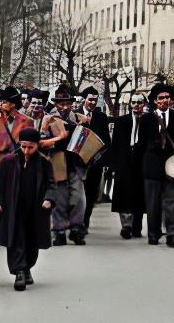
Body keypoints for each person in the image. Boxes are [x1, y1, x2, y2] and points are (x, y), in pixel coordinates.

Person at [0, 128, 55, 291]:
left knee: (32, 240)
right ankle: (19, 271)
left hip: (35, 208)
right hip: (14, 207)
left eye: (30, 147)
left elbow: (51, 184)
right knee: (16, 238)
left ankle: (27, 267)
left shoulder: (44, 162)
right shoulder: (8, 161)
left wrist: (49, 198)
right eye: (23, 146)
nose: (26, 150)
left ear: (37, 146)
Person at [139, 82, 174, 247]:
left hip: (172, 165)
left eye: (167, 97)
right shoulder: (146, 119)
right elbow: (141, 144)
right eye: (161, 98)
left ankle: (172, 234)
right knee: (152, 203)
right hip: (152, 165)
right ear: (154, 101)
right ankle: (153, 234)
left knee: (171, 201)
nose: (165, 100)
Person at [41, 86, 88, 246]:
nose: (64, 107)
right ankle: (59, 231)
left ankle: (76, 229)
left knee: (78, 198)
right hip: (57, 160)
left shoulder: (78, 118)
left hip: (76, 161)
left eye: (67, 103)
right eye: (61, 103)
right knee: (59, 198)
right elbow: (42, 142)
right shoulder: (49, 119)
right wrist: (56, 138)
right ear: (56, 103)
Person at [0, 87, 33, 238]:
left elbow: (30, 146)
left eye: (5, 101)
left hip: (17, 165)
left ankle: (13, 229)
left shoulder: (26, 121)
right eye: (1, 101)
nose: (1, 104)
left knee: (15, 198)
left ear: (13, 103)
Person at [110, 94, 147, 239]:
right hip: (124, 161)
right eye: (134, 102)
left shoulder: (147, 121)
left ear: (143, 104)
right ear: (130, 104)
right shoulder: (121, 121)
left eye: (139, 102)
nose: (136, 105)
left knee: (139, 192)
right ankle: (126, 225)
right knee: (124, 193)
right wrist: (114, 164)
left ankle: (137, 226)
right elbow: (116, 144)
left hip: (141, 160)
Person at [77, 86, 111, 231]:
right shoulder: (75, 114)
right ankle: (76, 220)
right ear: (84, 99)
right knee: (78, 193)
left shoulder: (101, 117)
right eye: (90, 99)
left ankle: (85, 221)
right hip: (78, 162)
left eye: (95, 100)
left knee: (91, 194)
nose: (92, 102)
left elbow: (107, 141)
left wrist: (100, 157)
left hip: (95, 163)